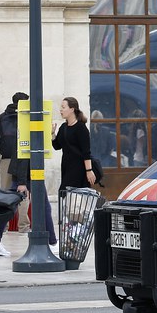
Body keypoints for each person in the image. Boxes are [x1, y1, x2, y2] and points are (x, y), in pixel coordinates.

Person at [49, 96, 94, 247]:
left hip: (79, 169)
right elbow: (57, 146)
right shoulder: (64, 127)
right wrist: (53, 134)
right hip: (67, 168)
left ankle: (75, 236)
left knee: (75, 202)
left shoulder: (81, 128)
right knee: (68, 200)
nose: (60, 110)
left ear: (72, 109)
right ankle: (71, 236)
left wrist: (89, 170)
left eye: (63, 107)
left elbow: (86, 152)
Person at [0, 92, 32, 243]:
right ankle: (24, 226)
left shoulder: (2, 117)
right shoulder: (27, 116)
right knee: (24, 190)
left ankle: (5, 225)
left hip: (7, 158)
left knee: (6, 192)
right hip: (23, 156)